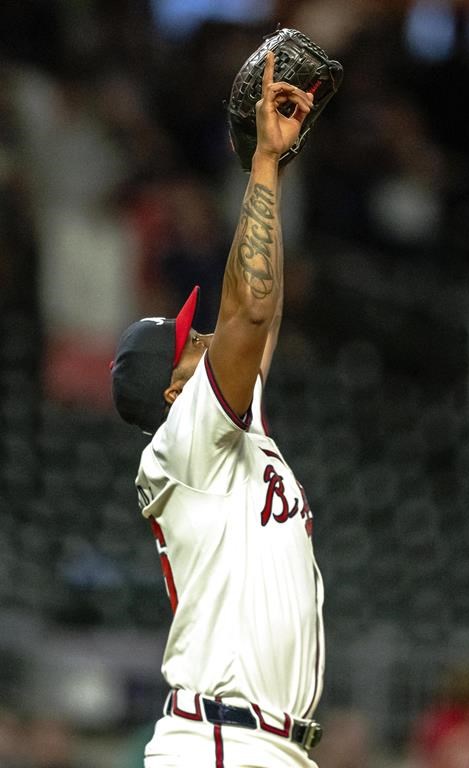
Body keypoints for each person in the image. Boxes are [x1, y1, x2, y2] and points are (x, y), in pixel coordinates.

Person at [112, 52, 323, 768]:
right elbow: (249, 312)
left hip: (252, 742)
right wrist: (262, 163)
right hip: (222, 742)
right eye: (188, 343)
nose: (203, 336)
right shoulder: (189, 442)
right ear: (174, 393)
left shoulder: (221, 436)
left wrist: (277, 172)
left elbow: (257, 325)